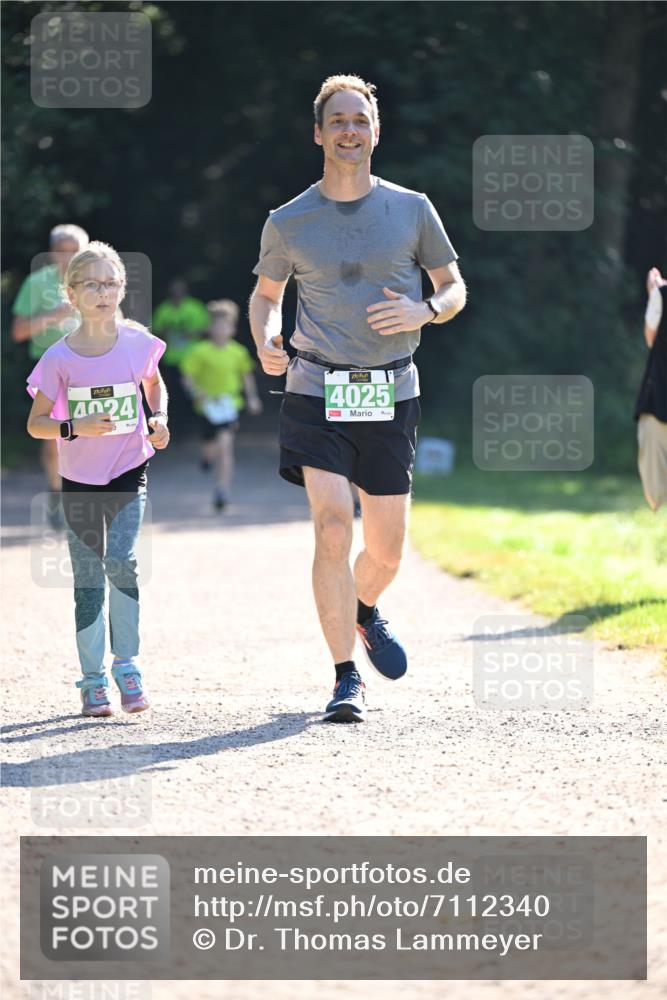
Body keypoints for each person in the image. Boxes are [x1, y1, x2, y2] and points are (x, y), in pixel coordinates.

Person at [248, 74, 466, 722]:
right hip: (315, 385)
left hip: (389, 390)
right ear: (319, 133)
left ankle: (365, 608)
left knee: (388, 549)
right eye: (337, 121)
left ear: (374, 131)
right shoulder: (288, 220)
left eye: (359, 121)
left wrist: (423, 310)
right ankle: (345, 676)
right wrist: (266, 334)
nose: (349, 130)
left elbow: (453, 287)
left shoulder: (412, 209)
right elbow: (265, 296)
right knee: (332, 522)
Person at [26, 241, 170, 718]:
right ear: (71, 293)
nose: (103, 292)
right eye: (92, 284)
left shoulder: (138, 342)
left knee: (122, 562)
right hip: (79, 477)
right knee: (89, 579)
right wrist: (75, 427)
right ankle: (91, 681)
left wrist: (159, 418)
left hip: (130, 466)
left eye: (111, 283)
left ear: (122, 289)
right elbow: (36, 423)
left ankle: (127, 666)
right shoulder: (59, 357)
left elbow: (153, 382)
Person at [12, 224, 89, 528]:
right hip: (50, 374)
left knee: (92, 436)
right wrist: (55, 315)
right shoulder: (36, 283)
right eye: (62, 250)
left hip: (89, 371)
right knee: (54, 440)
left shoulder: (94, 281)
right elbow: (18, 332)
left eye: (75, 251)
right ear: (52, 252)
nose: (69, 257)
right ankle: (58, 494)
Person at [180, 298, 262, 511]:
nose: (220, 329)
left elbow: (247, 376)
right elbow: (187, 376)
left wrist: (252, 398)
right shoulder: (199, 351)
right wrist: (195, 391)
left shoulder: (238, 352)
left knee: (225, 447)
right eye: (216, 325)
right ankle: (206, 457)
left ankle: (222, 490)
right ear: (209, 328)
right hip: (206, 407)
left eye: (225, 325)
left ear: (232, 328)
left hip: (229, 405)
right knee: (210, 446)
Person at [152, 278, 210, 428]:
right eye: (174, 290)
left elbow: (206, 329)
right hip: (171, 360)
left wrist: (191, 333)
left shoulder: (195, 307)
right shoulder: (163, 309)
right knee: (173, 395)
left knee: (194, 394)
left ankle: (197, 425)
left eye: (180, 289)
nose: (177, 293)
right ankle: (177, 425)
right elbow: (155, 333)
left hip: (193, 361)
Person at [634, 267, 667, 511]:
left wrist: (655, 293)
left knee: (657, 493)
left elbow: (651, 340)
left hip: (660, 404)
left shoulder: (661, 295)